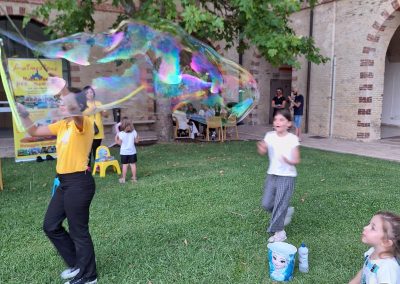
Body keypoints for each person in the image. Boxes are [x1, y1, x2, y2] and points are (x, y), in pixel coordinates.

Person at [18, 87, 98, 284]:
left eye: (65, 103)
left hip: (79, 182)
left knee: (79, 231)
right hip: (64, 183)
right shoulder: (62, 125)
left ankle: (89, 276)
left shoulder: (84, 123)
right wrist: (24, 114)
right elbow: (34, 130)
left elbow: (75, 112)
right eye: (60, 102)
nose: (61, 105)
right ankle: (78, 264)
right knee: (51, 225)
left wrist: (63, 90)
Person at [257, 109, 300, 243]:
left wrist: (289, 161)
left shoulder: (292, 138)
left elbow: (296, 159)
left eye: (281, 120)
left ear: (289, 124)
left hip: (287, 176)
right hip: (272, 174)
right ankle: (285, 212)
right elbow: (262, 150)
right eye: (276, 119)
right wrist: (262, 148)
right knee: (266, 203)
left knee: (280, 203)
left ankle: (280, 233)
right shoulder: (269, 135)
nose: (277, 122)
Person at [349, 211, 400, 284]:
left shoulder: (387, 268)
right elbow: (364, 270)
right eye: (369, 224)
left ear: (386, 242)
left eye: (373, 228)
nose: (365, 227)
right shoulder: (373, 251)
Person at [83, 86, 108, 171]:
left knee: (97, 149)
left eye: (91, 92)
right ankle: (87, 167)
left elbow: (106, 115)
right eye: (87, 93)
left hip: (98, 130)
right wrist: (91, 109)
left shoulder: (98, 103)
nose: (89, 94)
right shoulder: (83, 104)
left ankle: (98, 166)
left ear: (93, 93)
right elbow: (82, 116)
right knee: (88, 150)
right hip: (88, 130)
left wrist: (100, 109)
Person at [115, 118, 139, 183]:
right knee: (133, 164)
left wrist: (116, 138)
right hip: (132, 152)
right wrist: (135, 137)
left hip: (124, 152)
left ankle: (123, 178)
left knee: (125, 165)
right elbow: (137, 141)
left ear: (122, 125)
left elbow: (119, 143)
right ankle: (134, 178)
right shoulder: (134, 132)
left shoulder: (121, 134)